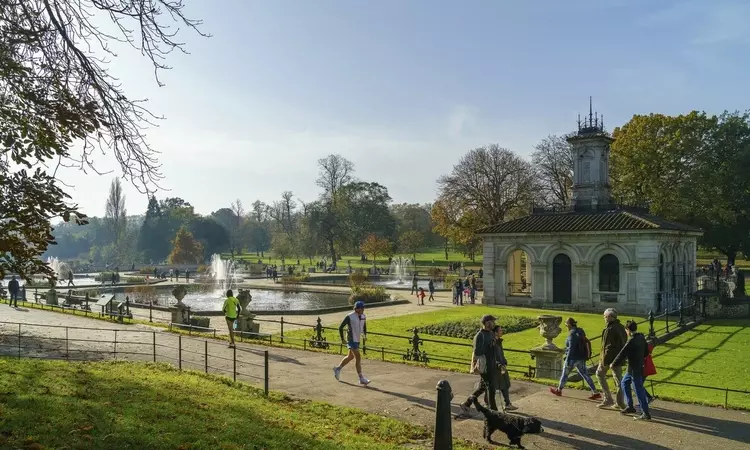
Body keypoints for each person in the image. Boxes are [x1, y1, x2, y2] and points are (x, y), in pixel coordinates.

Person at [550, 318, 601, 400]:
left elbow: (571, 348)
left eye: (566, 325)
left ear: (569, 325)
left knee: (565, 374)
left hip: (573, 358)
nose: (566, 327)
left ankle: (559, 390)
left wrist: (567, 359)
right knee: (585, 375)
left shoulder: (572, 334)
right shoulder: (580, 331)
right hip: (581, 358)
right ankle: (595, 392)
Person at [459, 315, 498, 417]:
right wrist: (488, 347)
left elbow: (494, 350)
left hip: (492, 365)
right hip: (485, 367)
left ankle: (466, 404)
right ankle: (494, 412)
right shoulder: (480, 335)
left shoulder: (491, 333)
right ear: (487, 323)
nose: (494, 323)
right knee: (491, 389)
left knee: (482, 388)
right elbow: (477, 352)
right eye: (492, 321)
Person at [611, 320, 651, 420]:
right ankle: (630, 406)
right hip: (635, 368)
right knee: (624, 383)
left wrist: (613, 364)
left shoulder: (631, 341)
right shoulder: (641, 338)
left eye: (626, 330)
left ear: (628, 329)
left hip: (634, 369)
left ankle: (645, 413)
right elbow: (646, 352)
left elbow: (622, 353)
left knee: (639, 391)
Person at [596, 308, 628, 409]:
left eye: (605, 317)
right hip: (619, 358)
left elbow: (608, 347)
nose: (604, 318)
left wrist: (605, 361)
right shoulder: (621, 327)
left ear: (610, 317)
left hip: (610, 359)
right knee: (618, 380)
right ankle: (619, 402)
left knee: (600, 374)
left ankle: (608, 399)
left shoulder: (610, 329)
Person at [333, 301, 370, 385]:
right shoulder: (349, 316)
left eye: (363, 308)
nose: (363, 309)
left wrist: (364, 335)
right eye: (361, 308)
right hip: (351, 339)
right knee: (358, 357)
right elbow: (340, 327)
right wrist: (342, 339)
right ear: (356, 309)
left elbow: (364, 327)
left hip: (357, 339)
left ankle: (337, 369)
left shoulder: (363, 316)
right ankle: (361, 378)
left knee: (350, 356)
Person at [492, 325, 518, 411]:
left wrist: (504, 361)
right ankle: (471, 402)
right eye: (500, 330)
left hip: (501, 366)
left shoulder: (498, 342)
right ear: (495, 332)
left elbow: (500, 354)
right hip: (496, 367)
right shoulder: (493, 342)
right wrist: (498, 364)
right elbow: (492, 356)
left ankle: (507, 403)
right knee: (488, 387)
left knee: (505, 384)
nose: (502, 332)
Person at [642, 337, 656, 404]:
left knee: (638, 385)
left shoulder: (644, 350)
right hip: (646, 368)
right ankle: (648, 397)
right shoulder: (648, 350)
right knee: (638, 385)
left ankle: (648, 397)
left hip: (644, 369)